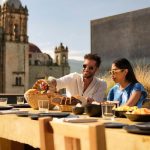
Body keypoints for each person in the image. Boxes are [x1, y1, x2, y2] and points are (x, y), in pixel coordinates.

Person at [38, 53, 107, 104]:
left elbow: (96, 103)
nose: (86, 69)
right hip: (70, 116)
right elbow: (57, 82)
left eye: (91, 67)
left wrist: (75, 100)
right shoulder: (73, 77)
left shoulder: (101, 84)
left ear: (96, 70)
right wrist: (48, 83)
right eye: (84, 66)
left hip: (90, 118)